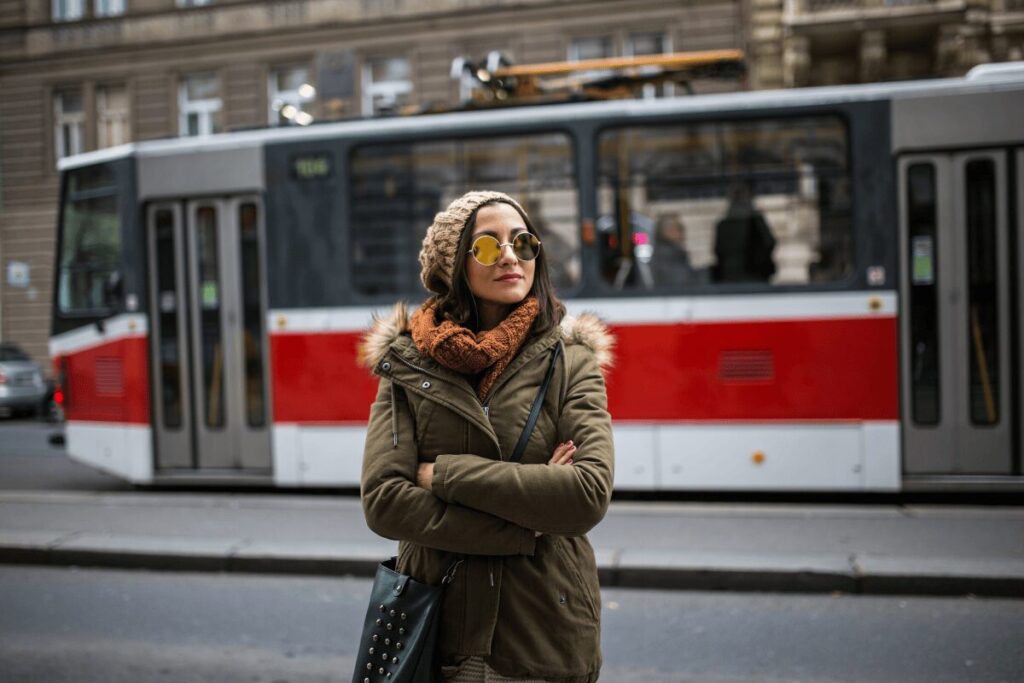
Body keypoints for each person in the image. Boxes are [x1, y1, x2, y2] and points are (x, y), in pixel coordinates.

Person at [358, 190, 615, 683]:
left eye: (522, 241)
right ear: (454, 266)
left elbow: (585, 494)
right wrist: (523, 528)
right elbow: (385, 501)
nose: (512, 256)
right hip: (439, 631)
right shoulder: (408, 363)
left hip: (541, 631)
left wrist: (445, 475)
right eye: (488, 247)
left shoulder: (572, 361)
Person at [712, 182, 777, 283]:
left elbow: (717, 251)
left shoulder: (722, 225)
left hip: (730, 276)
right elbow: (770, 243)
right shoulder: (756, 220)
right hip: (754, 275)